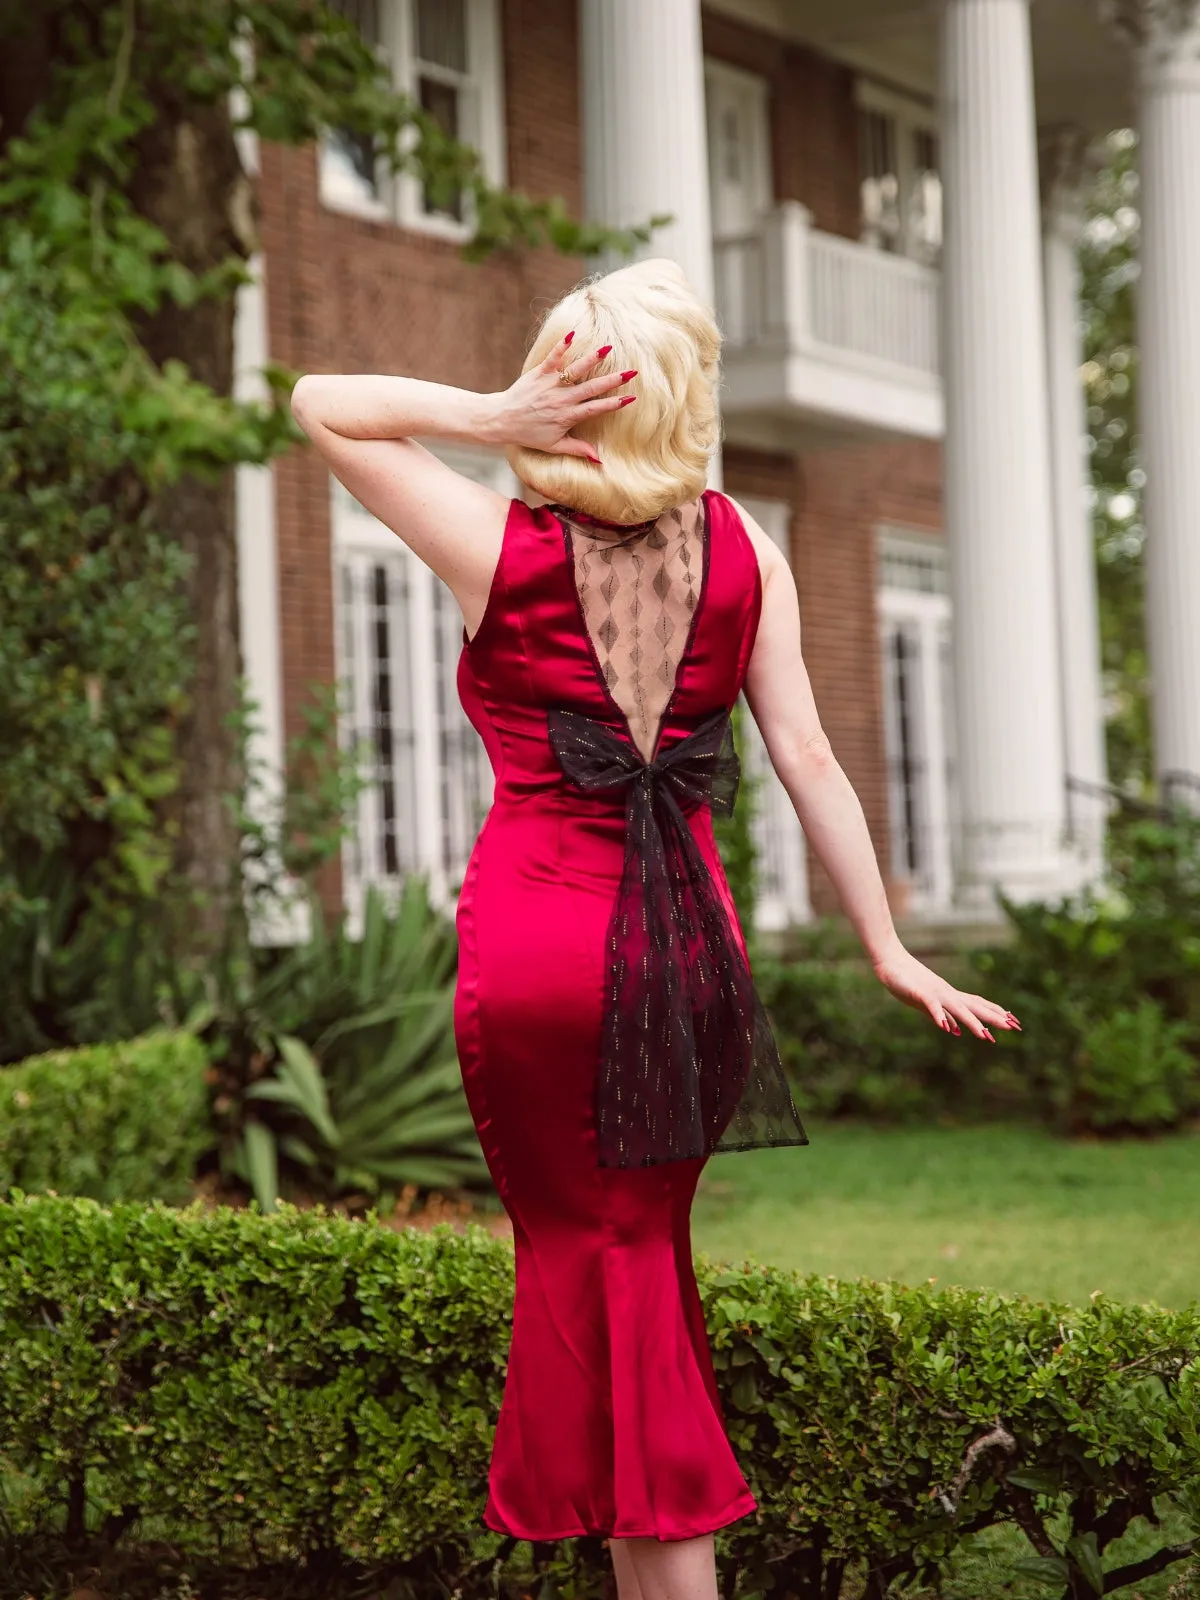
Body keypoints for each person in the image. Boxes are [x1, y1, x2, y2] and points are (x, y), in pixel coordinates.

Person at [291, 257, 1019, 1600]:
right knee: (642, 1251)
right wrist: (883, 944)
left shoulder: (494, 548)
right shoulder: (748, 550)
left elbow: (320, 401)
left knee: (590, 1252)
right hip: (689, 957)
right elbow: (806, 754)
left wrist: (488, 414)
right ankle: (650, 1559)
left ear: (569, 400)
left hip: (540, 953)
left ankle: (656, 1557)